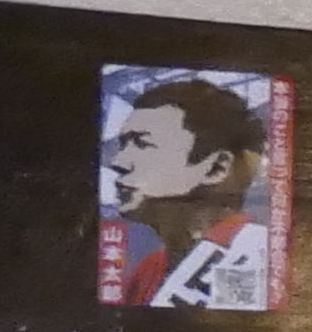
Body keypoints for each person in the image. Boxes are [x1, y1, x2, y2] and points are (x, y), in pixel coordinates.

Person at [96, 72, 274, 309]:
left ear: (216, 168)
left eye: (142, 143)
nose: (117, 161)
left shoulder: (259, 255)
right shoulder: (150, 268)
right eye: (123, 145)